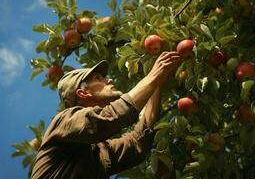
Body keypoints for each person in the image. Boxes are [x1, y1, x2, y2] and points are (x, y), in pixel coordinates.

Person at [31, 51, 183, 179]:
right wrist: (153, 76)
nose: (109, 79)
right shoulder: (64, 121)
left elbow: (138, 144)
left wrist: (156, 87)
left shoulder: (98, 152)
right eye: (98, 78)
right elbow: (104, 120)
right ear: (83, 93)